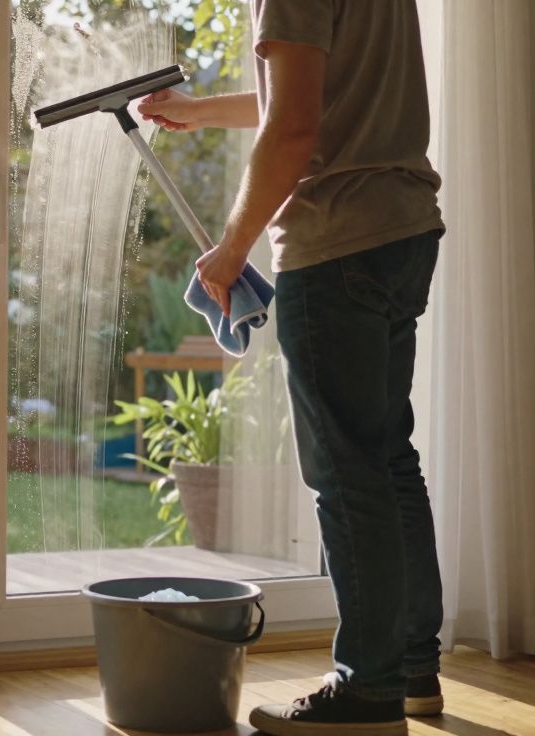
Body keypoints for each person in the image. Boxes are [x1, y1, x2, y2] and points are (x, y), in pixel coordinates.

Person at [138, 2, 444, 734]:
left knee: (348, 471)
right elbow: (311, 95)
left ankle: (368, 688)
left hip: (335, 239)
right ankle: (409, 670)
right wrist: (201, 112)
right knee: (386, 458)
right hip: (401, 228)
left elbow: (295, 128)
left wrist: (234, 245)